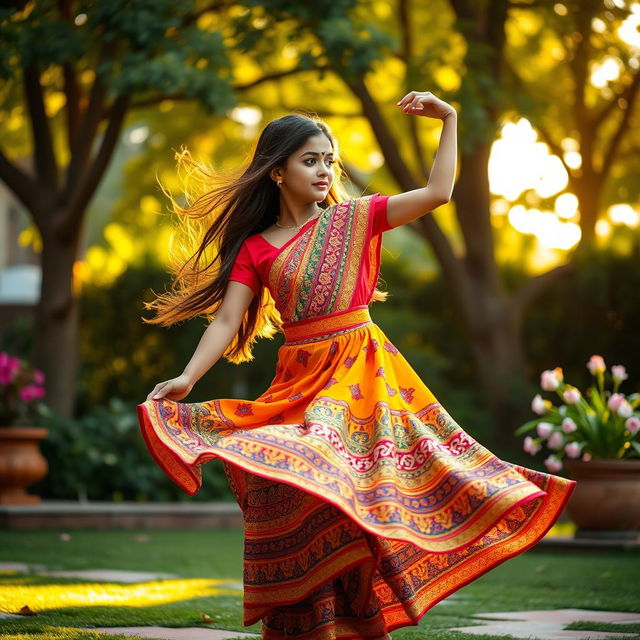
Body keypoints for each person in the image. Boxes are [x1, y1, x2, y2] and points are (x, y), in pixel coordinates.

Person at [138, 90, 576, 640]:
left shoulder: (355, 218)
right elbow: (226, 322)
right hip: (299, 380)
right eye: (310, 159)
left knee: (333, 471)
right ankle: (319, 623)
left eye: (329, 160)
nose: (324, 170)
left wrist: (451, 119)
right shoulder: (257, 248)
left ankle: (361, 619)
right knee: (295, 491)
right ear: (277, 172)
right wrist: (186, 379)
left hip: (360, 376)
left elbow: (439, 192)